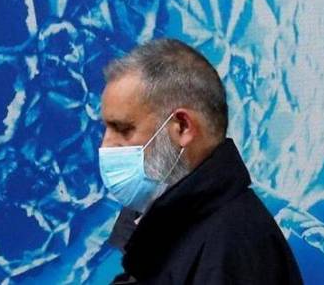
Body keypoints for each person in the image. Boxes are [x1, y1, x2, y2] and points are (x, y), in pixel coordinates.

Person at [97, 38, 302, 284]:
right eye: (106, 129)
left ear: (182, 127)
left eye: (123, 129)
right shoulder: (173, 238)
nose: (106, 146)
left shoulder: (231, 252)